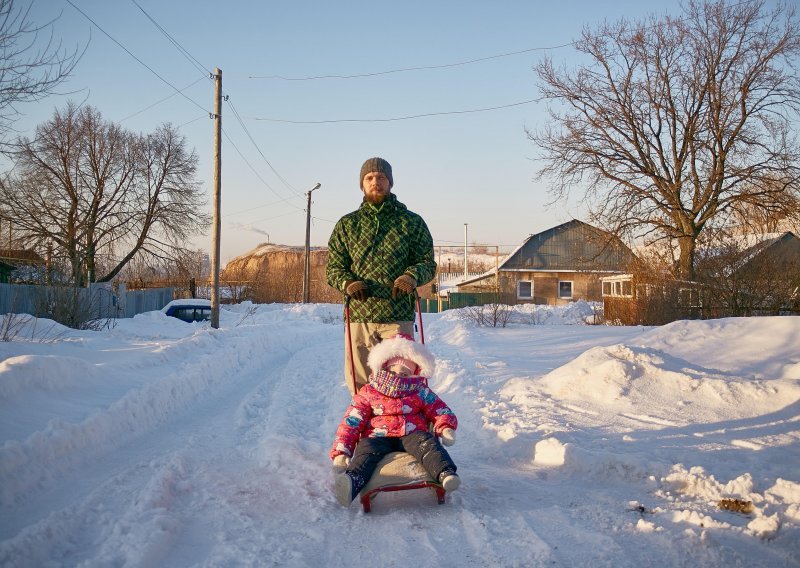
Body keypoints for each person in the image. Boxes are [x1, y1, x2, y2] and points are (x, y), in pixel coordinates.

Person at [326, 157, 437, 394]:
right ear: (362, 185)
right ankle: (361, 424)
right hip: (359, 315)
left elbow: (427, 263)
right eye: (369, 178)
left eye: (381, 177)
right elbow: (333, 268)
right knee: (360, 383)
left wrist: (411, 276)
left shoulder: (411, 222)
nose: (375, 181)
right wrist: (347, 283)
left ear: (390, 182)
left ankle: (403, 425)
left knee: (402, 377)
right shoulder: (347, 225)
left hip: (397, 314)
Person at [329, 334, 459, 507]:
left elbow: (439, 409)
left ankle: (445, 473)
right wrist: (342, 451)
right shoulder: (370, 391)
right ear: (384, 368)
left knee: (428, 445)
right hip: (377, 437)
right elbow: (352, 421)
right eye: (393, 371)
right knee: (366, 452)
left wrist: (445, 427)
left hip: (412, 434)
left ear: (414, 374)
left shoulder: (419, 391)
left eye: (404, 373)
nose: (398, 376)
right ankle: (352, 481)